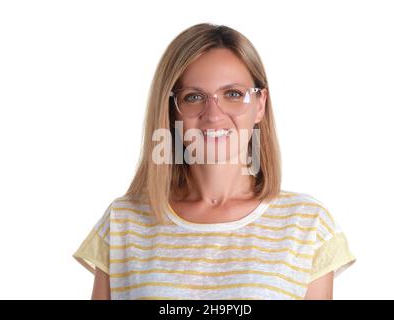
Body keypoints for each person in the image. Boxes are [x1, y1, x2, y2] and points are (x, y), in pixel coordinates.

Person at [72, 23, 357, 300]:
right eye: (193, 97)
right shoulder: (124, 221)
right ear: (171, 111)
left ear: (260, 105)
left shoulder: (307, 224)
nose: (213, 114)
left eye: (233, 94)